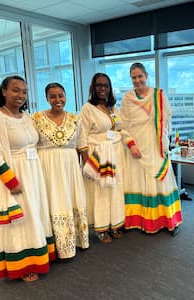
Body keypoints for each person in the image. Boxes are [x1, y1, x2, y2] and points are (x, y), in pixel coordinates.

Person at [0, 76, 56, 282]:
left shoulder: (27, 117)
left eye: (24, 91)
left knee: (37, 214)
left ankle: (40, 255)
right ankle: (23, 265)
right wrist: (11, 181)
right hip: (14, 175)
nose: (21, 95)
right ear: (3, 91)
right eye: (15, 90)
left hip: (34, 172)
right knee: (21, 220)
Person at [120, 62, 183, 236]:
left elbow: (167, 120)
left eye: (140, 76)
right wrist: (131, 144)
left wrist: (165, 142)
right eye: (134, 77)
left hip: (156, 144)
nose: (137, 80)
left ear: (146, 76)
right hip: (136, 145)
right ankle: (137, 220)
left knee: (160, 180)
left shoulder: (159, 95)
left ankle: (167, 220)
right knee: (136, 180)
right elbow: (123, 125)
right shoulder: (127, 98)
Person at [33, 82, 89, 259]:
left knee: (71, 199)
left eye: (61, 95)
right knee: (52, 201)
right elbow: (31, 145)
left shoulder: (75, 119)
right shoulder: (36, 119)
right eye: (53, 96)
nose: (57, 99)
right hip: (47, 167)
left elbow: (82, 146)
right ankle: (54, 247)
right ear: (47, 98)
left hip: (70, 166)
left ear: (65, 96)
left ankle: (76, 241)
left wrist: (86, 168)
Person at [79, 73, 128, 243]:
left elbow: (120, 129)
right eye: (99, 85)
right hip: (98, 154)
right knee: (100, 191)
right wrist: (86, 161)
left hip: (115, 153)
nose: (102, 89)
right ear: (93, 87)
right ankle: (101, 228)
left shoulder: (113, 108)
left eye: (105, 85)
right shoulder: (87, 108)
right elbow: (81, 136)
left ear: (110, 88)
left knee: (115, 189)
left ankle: (115, 223)